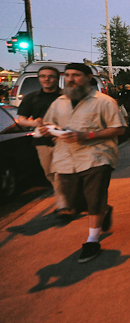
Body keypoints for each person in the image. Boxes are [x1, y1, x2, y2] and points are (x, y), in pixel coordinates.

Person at [39, 63, 127, 263]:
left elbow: (119, 129)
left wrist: (87, 135)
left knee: (94, 196)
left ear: (88, 78)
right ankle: (104, 210)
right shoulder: (58, 103)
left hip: (97, 156)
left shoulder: (104, 101)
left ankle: (92, 240)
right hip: (65, 158)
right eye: (68, 75)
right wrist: (47, 129)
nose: (70, 79)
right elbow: (48, 123)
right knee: (72, 203)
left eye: (76, 75)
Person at [16, 65, 69, 213]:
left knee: (61, 172)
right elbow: (21, 119)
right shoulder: (31, 98)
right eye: (43, 76)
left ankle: (63, 203)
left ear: (57, 79)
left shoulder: (66, 96)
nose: (46, 79)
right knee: (50, 173)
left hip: (63, 139)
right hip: (42, 141)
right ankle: (66, 198)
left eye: (50, 76)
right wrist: (34, 123)